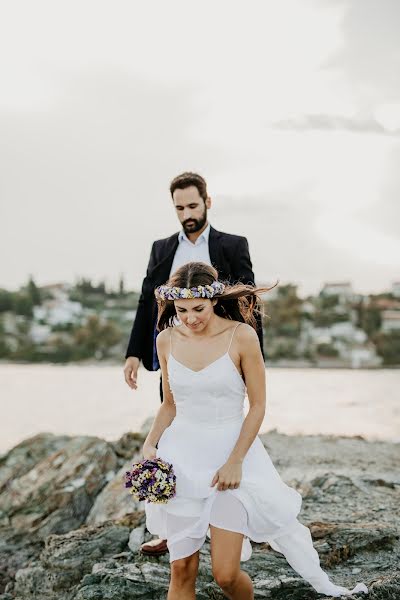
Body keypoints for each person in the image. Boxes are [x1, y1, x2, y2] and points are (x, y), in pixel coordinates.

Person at [142, 261, 368, 599]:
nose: (190, 318)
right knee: (181, 570)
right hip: (181, 461)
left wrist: (235, 461)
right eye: (182, 309)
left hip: (232, 462)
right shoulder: (167, 340)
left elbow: (258, 406)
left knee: (226, 575)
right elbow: (170, 405)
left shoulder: (241, 336)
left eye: (198, 308)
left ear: (215, 300)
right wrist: (149, 446)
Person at [124, 171, 263, 557]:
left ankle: (234, 519)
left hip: (224, 350)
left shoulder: (233, 245)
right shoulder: (161, 248)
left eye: (192, 205)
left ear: (207, 203)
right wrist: (135, 352)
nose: (186, 213)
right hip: (175, 349)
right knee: (173, 426)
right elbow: (145, 302)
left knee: (224, 428)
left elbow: (249, 303)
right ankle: (172, 528)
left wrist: (251, 360)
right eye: (179, 207)